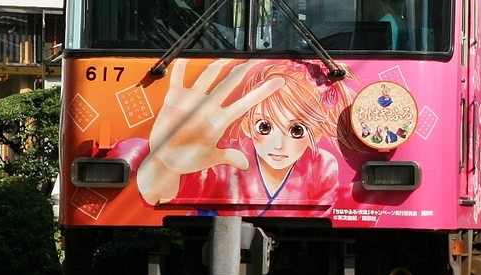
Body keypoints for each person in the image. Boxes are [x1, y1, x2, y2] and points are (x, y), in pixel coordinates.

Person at [127, 58, 352, 215]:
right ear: (247, 123)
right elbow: (155, 193)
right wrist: (163, 158)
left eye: (297, 131)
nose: (278, 144)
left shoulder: (322, 168)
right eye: (264, 126)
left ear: (317, 132)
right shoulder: (216, 155)